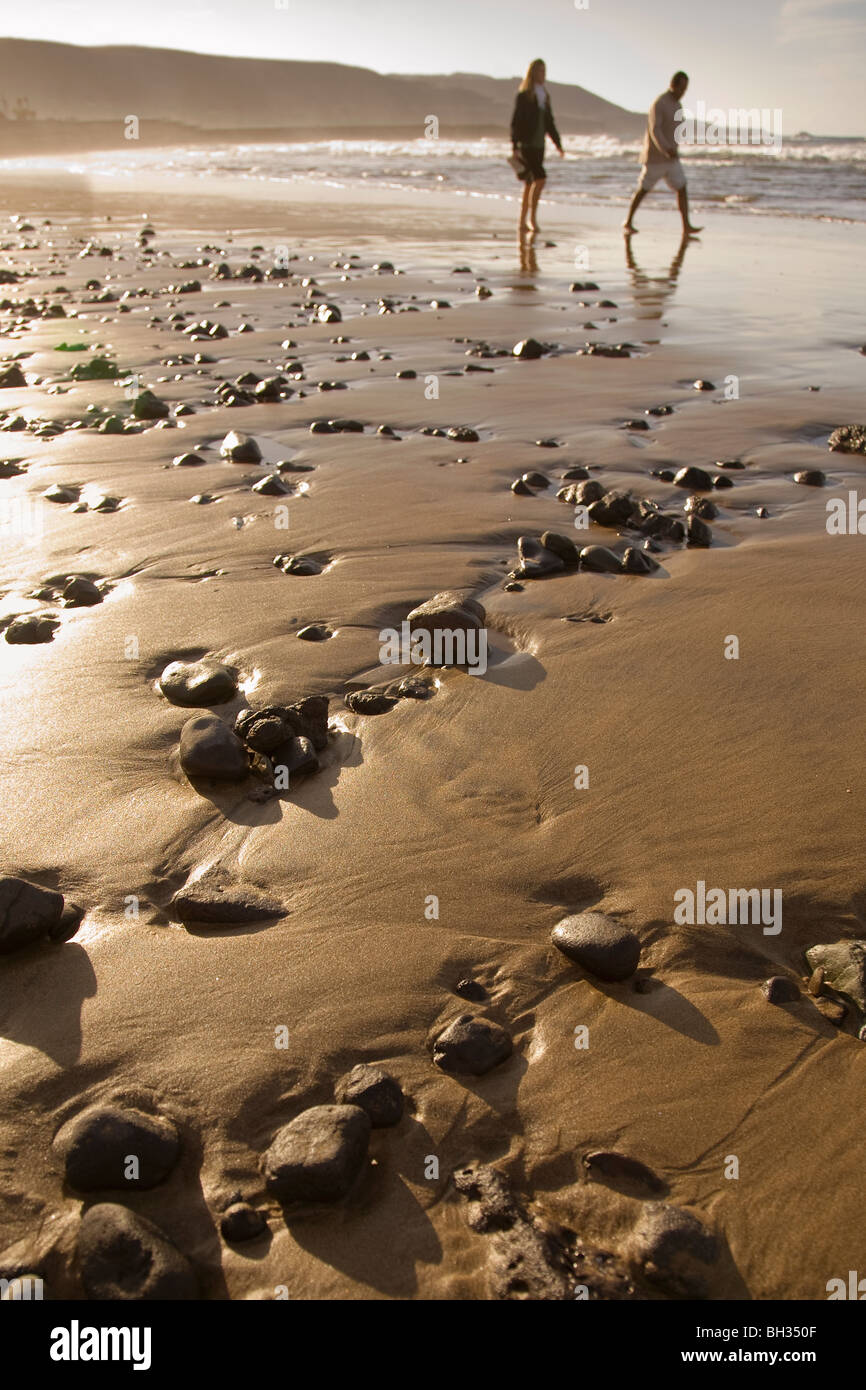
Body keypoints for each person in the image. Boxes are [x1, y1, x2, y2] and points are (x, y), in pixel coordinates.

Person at [623, 71, 702, 237]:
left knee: (682, 187)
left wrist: (675, 149)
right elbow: (655, 130)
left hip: (672, 158)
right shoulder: (660, 103)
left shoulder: (677, 106)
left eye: (685, 89)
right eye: (681, 88)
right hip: (655, 158)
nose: (683, 93)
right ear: (673, 85)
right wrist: (665, 148)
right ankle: (628, 221)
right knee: (643, 189)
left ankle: (686, 225)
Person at [511, 59, 565, 234]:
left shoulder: (545, 95)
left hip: (539, 145)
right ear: (533, 72)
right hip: (527, 144)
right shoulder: (525, 95)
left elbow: (549, 123)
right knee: (540, 178)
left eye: (545, 70)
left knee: (529, 183)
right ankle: (532, 219)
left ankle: (522, 221)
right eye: (541, 71)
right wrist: (515, 144)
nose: (544, 74)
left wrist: (558, 144)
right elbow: (516, 120)